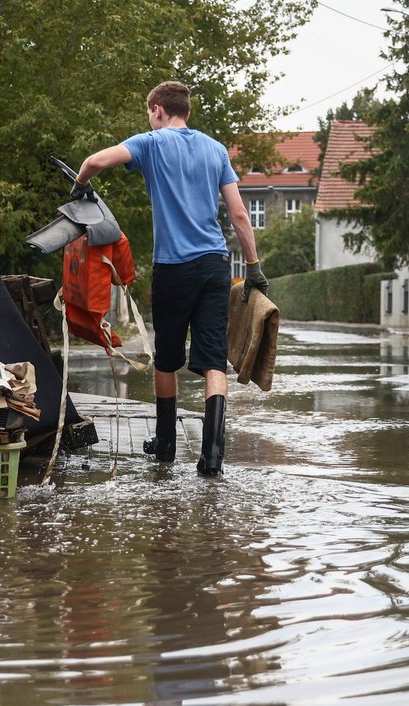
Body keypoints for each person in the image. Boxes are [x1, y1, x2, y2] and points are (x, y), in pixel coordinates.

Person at [72, 80, 267, 476]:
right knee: (214, 359)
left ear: (158, 110)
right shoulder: (215, 150)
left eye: (150, 113)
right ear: (188, 112)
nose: (150, 119)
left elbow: (93, 163)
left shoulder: (149, 142)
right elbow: (239, 215)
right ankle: (212, 457)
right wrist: (253, 266)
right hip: (215, 265)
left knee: (167, 359)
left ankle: (165, 446)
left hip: (173, 268)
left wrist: (79, 188)